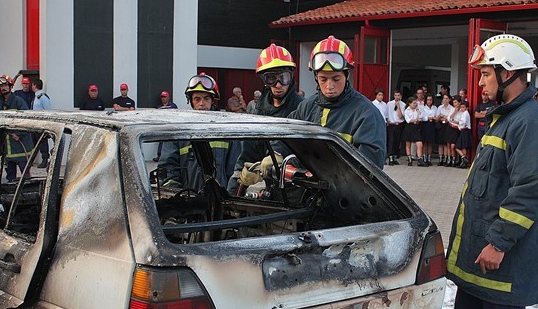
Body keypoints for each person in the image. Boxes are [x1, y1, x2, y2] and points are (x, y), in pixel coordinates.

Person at [423, 34, 538, 309]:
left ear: (507, 72)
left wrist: (498, 243)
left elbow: (528, 192)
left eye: (485, 75)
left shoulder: (529, 123)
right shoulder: (507, 117)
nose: (479, 83)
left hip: (502, 257)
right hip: (480, 252)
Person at [288, 36, 386, 168]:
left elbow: (369, 167)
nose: (329, 86)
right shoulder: (306, 106)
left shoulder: (366, 114)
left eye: (336, 79)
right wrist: (276, 155)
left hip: (346, 188)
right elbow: (285, 135)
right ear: (316, 77)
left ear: (346, 75)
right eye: (323, 79)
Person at [229, 44, 304, 193]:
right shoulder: (259, 113)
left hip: (297, 191)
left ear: (291, 76)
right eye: (271, 79)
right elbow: (248, 154)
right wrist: (233, 190)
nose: (278, 85)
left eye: (284, 78)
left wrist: (281, 157)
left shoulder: (302, 109)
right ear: (264, 80)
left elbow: (309, 154)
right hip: (267, 191)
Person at [158, 73, 239, 190]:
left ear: (213, 100)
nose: (202, 103)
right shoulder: (178, 132)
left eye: (206, 98)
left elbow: (234, 171)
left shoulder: (226, 131)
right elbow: (168, 169)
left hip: (221, 203)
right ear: (191, 102)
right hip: (188, 203)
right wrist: (176, 197)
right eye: (197, 99)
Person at [0, 75, 32, 182]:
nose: (3, 88)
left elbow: (27, 120)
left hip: (20, 144)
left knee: (25, 176)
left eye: (6, 85)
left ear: (11, 87)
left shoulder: (18, 101)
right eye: (1, 86)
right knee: (10, 176)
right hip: (7, 146)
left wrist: (19, 134)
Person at [31, 78, 52, 168]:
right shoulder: (37, 96)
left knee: (42, 142)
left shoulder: (43, 97)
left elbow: (47, 110)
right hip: (35, 123)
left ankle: (45, 159)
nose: (32, 87)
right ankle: (30, 160)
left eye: (32, 85)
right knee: (34, 142)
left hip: (41, 123)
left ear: (35, 85)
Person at [153, 91, 177, 162]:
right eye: (162, 97)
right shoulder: (159, 107)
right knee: (161, 140)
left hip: (171, 125)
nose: (163, 99)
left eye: (165, 97)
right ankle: (159, 156)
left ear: (168, 97)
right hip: (162, 125)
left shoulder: (173, 106)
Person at [385, 89, 406, 166]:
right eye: (396, 95)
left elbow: (401, 116)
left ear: (401, 96)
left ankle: (394, 157)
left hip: (399, 125)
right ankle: (390, 156)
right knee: (391, 141)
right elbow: (386, 114)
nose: (397, 97)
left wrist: (398, 106)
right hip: (391, 125)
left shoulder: (403, 105)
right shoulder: (389, 104)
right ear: (394, 96)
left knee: (397, 141)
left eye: (398, 95)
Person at [451, 100, 473, 168]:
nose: (462, 108)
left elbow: (462, 122)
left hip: (465, 131)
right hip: (464, 131)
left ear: (467, 108)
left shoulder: (465, 113)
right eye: (461, 107)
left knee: (458, 146)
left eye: (463, 107)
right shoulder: (464, 113)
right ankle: (464, 160)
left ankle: (464, 158)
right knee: (463, 146)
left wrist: (454, 121)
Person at [402, 97, 423, 166]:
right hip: (409, 127)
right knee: (408, 144)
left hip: (416, 128)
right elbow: (408, 120)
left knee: (419, 144)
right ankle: (409, 158)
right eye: (414, 103)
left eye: (416, 103)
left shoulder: (417, 109)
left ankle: (420, 159)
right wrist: (415, 120)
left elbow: (421, 116)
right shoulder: (407, 110)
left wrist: (418, 111)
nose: (415, 104)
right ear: (409, 103)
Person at [436, 94, 455, 166]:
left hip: (448, 126)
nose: (445, 100)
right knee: (441, 143)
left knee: (447, 144)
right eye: (444, 98)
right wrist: (442, 117)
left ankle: (446, 158)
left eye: (447, 98)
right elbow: (437, 118)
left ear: (449, 99)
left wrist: (443, 116)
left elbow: (449, 118)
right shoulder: (440, 107)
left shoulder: (451, 108)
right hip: (441, 126)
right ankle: (441, 158)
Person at [419, 95, 437, 166]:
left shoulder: (435, 108)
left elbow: (436, 116)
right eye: (428, 100)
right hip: (425, 125)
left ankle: (429, 158)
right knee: (424, 143)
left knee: (430, 143)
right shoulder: (422, 108)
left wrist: (433, 118)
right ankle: (424, 157)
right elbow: (423, 117)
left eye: (431, 100)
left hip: (432, 125)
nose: (429, 101)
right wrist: (430, 118)